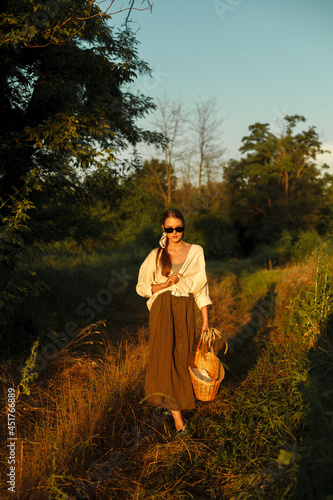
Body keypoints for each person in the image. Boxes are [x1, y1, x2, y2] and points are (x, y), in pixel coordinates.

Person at [136, 208, 212, 434]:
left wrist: (206, 320)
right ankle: (179, 421)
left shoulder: (196, 251)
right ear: (163, 229)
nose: (174, 232)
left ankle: (168, 402)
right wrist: (164, 285)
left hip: (186, 307)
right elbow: (141, 287)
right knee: (165, 358)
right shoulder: (155, 256)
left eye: (178, 228)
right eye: (169, 229)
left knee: (182, 358)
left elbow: (202, 287)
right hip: (162, 308)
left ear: (184, 227)